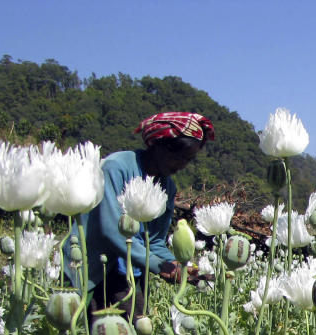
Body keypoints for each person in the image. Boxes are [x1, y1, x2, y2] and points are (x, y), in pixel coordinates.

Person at [63, 111, 214, 318]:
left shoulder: (166, 187)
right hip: (89, 267)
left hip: (129, 273)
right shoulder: (116, 167)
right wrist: (159, 266)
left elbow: (155, 241)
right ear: (159, 144)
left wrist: (179, 265)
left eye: (188, 160)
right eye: (179, 157)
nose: (181, 165)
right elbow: (112, 230)